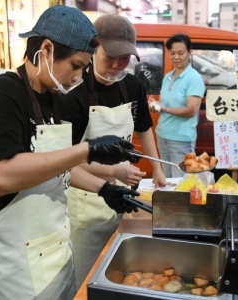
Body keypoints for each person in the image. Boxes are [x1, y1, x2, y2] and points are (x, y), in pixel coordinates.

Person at [0, 5, 141, 300]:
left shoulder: (53, 99)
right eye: (76, 66)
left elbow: (54, 166)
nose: (78, 76)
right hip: (18, 265)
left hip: (57, 249)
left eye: (83, 69)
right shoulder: (6, 94)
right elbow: (5, 174)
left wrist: (103, 189)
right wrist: (86, 150)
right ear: (47, 49)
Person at [62, 14, 171, 288]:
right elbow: (65, 160)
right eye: (110, 55)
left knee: (118, 270)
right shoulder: (73, 92)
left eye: (124, 58)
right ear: (93, 48)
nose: (115, 65)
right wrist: (112, 170)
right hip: (85, 199)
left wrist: (157, 169)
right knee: (87, 275)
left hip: (122, 198)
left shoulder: (132, 86)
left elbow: (144, 127)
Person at [149, 34, 205, 178]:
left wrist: (163, 109)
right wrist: (154, 105)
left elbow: (191, 110)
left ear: (189, 53)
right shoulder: (168, 77)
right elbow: (164, 105)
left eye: (181, 53)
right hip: (162, 134)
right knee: (166, 179)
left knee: (182, 182)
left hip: (181, 139)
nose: (176, 57)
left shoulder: (193, 78)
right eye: (172, 53)